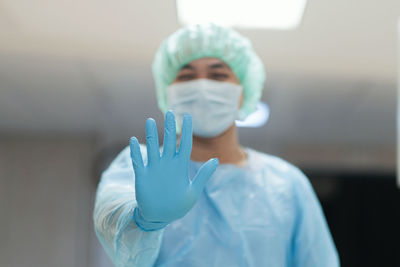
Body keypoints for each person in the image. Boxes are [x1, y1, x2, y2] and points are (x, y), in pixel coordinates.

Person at [93, 24, 340, 267]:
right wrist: (143, 221)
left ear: (243, 92)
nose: (202, 86)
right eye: (187, 76)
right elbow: (114, 231)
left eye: (218, 75)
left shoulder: (287, 183)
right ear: (169, 94)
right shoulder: (141, 167)